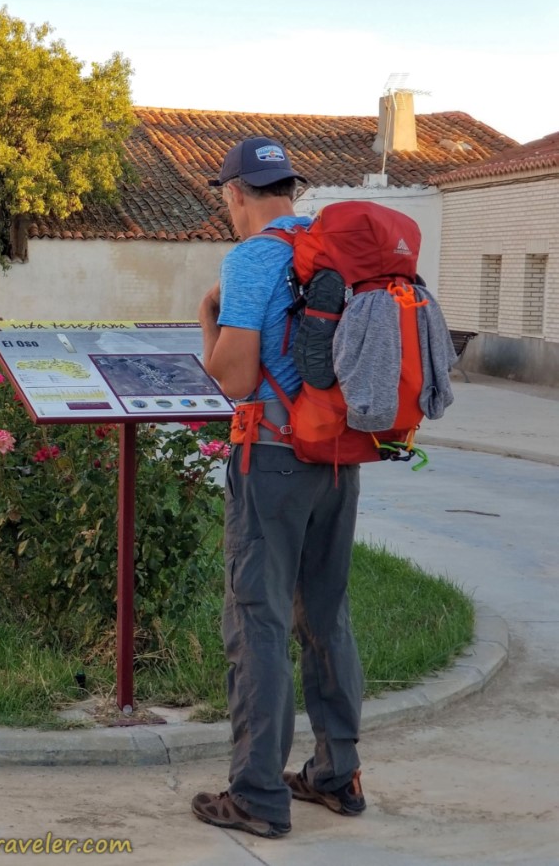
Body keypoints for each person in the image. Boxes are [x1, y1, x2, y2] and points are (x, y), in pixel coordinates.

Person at [191, 137, 366, 839]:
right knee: (326, 614)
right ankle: (337, 774)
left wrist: (209, 315)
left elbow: (233, 377)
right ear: (289, 189)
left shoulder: (252, 258)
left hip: (271, 457)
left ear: (235, 194)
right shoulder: (335, 250)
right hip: (339, 457)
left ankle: (258, 795)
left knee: (256, 621)